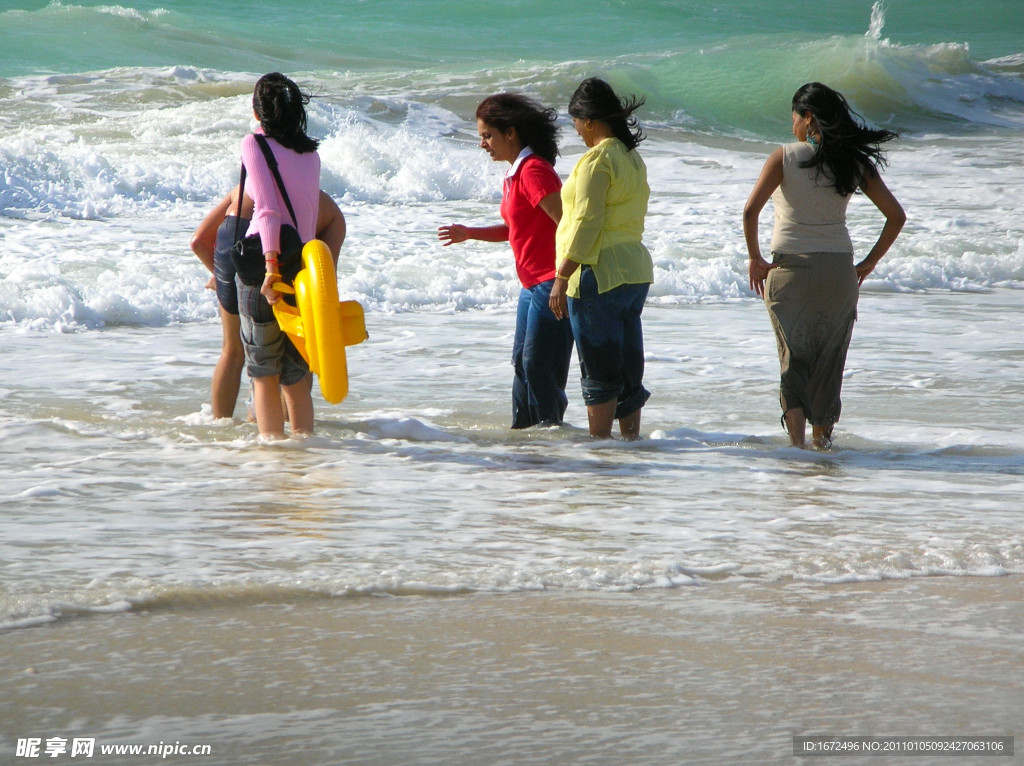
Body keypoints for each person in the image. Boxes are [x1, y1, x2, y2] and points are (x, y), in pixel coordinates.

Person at [743, 82, 906, 449]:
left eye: (795, 117)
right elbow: (896, 216)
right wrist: (868, 263)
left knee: (793, 360)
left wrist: (755, 259)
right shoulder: (853, 161)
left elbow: (750, 211)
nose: (792, 126)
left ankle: (797, 449)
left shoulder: (784, 156)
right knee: (829, 363)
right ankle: (822, 449)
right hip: (839, 273)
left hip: (790, 272)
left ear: (808, 118)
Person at [438, 93, 573, 429]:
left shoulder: (534, 171)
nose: (483, 144)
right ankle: (525, 436)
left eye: (487, 135)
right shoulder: (516, 174)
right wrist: (469, 233)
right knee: (522, 363)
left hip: (551, 282)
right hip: (532, 286)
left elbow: (568, 225)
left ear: (510, 132)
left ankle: (550, 437)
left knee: (538, 364)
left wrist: (563, 278)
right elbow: (516, 229)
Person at [548, 78, 654, 440]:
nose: (576, 130)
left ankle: (601, 454)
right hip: (635, 271)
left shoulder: (597, 160)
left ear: (590, 120)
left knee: (598, 372)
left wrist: (562, 276)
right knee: (626, 367)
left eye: (576, 121)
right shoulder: (631, 157)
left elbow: (587, 220)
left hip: (599, 272)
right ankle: (630, 446)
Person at [190, 187, 346, 420]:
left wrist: (226, 280)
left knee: (233, 351)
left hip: (232, 242)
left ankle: (220, 428)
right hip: (280, 248)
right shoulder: (328, 209)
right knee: (298, 353)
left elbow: (198, 242)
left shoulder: (243, 189)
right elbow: (322, 283)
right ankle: (286, 427)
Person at [237, 72, 322, 439]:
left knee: (263, 370)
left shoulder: (254, 144)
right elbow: (306, 218)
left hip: (263, 267)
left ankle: (272, 458)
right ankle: (304, 454)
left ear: (259, 110)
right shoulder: (310, 153)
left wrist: (270, 269)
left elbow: (268, 209)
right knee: (295, 371)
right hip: (301, 270)